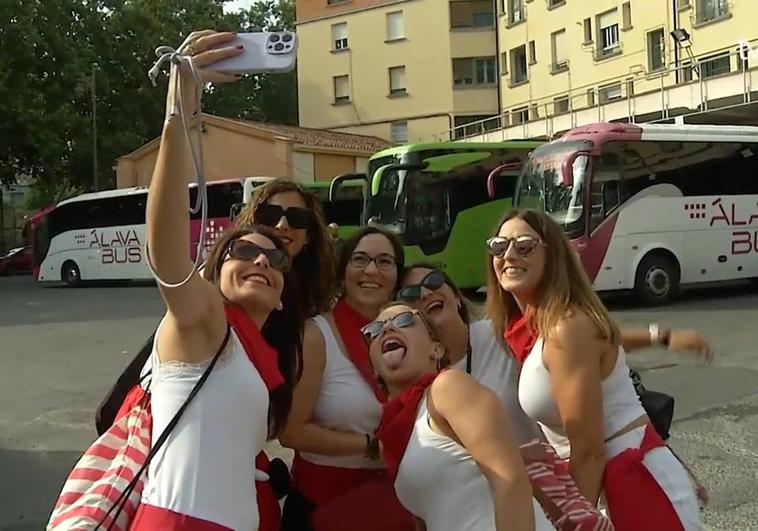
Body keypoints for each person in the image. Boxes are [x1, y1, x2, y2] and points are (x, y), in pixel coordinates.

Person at [129, 30, 303, 530]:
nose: (263, 261)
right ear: (214, 272)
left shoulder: (257, 355)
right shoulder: (204, 321)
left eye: (276, 259)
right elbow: (164, 253)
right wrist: (179, 115)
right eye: (243, 250)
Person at [485, 208, 705, 530]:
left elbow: (588, 450)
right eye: (498, 246)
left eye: (525, 246)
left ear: (553, 256)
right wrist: (662, 336)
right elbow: (607, 336)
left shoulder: (565, 327)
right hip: (605, 482)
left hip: (632, 481)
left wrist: (576, 521)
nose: (509, 255)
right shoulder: (541, 327)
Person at [398, 264, 713, 446]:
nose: (425, 292)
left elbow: (583, 337)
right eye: (412, 294)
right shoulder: (415, 375)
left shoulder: (499, 333)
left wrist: (663, 336)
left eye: (434, 281)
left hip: (553, 485)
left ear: (454, 296)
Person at [369, 301, 553, 531]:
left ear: (435, 349)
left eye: (404, 320)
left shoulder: (448, 388)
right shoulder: (398, 435)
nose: (387, 329)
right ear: (374, 369)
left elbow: (511, 481)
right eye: (374, 330)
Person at [278, 226, 414, 530]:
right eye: (360, 259)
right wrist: (371, 447)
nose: (371, 270)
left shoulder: (414, 335)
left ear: (397, 275)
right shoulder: (316, 336)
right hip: (324, 504)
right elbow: (290, 432)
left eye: (384, 262)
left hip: (396, 503)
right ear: (343, 272)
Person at [236, 178, 336, 318]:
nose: (282, 225)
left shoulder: (321, 294)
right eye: (271, 214)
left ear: (308, 235)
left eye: (297, 217)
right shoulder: (232, 278)